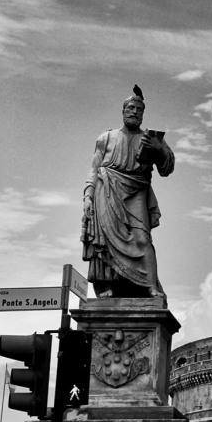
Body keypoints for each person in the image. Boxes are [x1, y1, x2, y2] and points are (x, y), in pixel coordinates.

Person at [82, 85, 174, 298]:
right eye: (131, 108)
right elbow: (94, 168)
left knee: (142, 239)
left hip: (137, 191)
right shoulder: (106, 138)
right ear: (123, 111)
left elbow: (167, 169)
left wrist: (158, 150)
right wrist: (87, 196)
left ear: (143, 114)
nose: (134, 112)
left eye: (139, 109)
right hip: (107, 189)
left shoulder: (152, 139)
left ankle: (151, 286)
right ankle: (108, 286)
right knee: (104, 238)